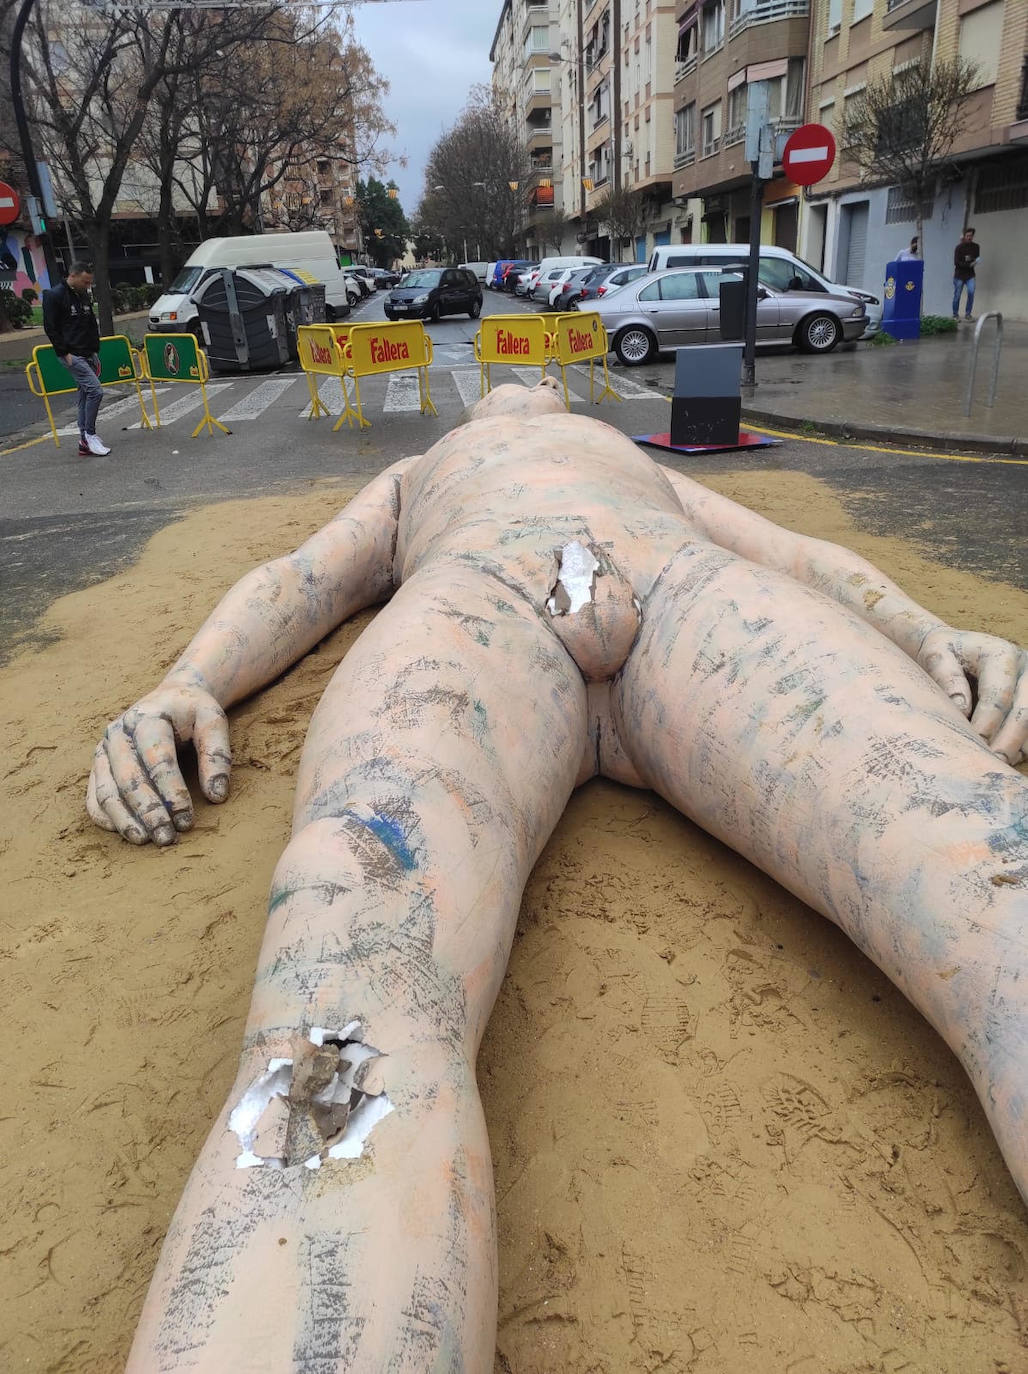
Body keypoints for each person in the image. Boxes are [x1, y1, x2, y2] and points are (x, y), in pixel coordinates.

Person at [87, 381, 1027, 1371]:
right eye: (503, 387)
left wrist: (918, 629)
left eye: (533, 385)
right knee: (351, 972)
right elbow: (305, 579)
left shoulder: (616, 451)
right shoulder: (419, 475)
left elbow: (789, 555)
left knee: (974, 850)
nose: (517, 390)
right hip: (477, 602)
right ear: (480, 411)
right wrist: (190, 677)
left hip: (685, 588)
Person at [41, 259, 110, 456]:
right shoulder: (54, 295)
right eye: (85, 282)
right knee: (96, 391)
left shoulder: (82, 296)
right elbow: (50, 328)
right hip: (72, 354)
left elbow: (89, 323)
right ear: (73, 276)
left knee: (85, 395)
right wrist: (64, 353)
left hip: (87, 351)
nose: (88, 286)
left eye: (89, 283)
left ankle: (84, 440)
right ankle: (89, 434)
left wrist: (94, 349)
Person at [953, 227, 981, 321]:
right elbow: (956, 262)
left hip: (970, 275)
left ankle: (968, 314)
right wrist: (968, 264)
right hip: (959, 275)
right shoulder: (959, 247)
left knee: (971, 292)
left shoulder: (976, 246)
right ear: (964, 237)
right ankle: (955, 315)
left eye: (971, 236)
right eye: (967, 236)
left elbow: (976, 258)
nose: (969, 237)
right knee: (957, 295)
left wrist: (975, 261)